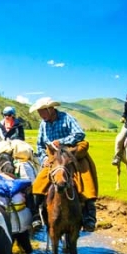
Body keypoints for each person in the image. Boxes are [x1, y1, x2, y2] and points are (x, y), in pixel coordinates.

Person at [29, 97, 98, 232]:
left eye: (42, 111)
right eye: (39, 112)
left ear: (51, 109)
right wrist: (43, 159)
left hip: (72, 155)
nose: (40, 115)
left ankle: (89, 217)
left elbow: (80, 133)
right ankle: (36, 216)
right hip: (53, 158)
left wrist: (61, 142)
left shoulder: (66, 118)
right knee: (38, 184)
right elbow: (40, 145)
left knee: (86, 179)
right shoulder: (43, 124)